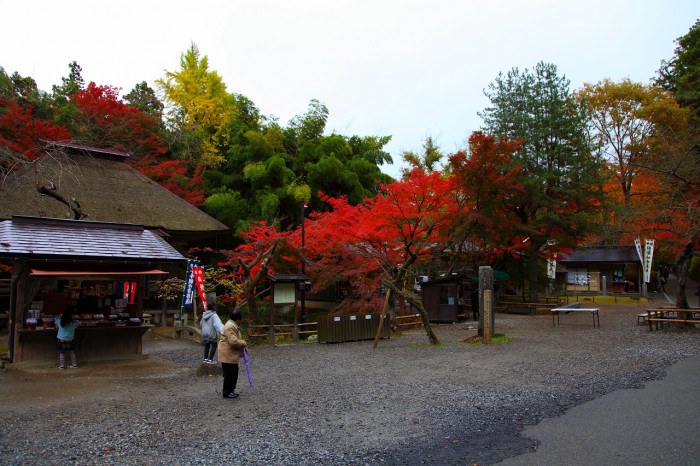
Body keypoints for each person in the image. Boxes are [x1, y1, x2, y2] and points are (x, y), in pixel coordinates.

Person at [218, 309, 247, 399]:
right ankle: (227, 392)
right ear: (238, 319)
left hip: (229, 354)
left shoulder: (231, 324)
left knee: (233, 372)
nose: (242, 320)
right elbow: (233, 341)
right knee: (230, 374)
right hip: (227, 354)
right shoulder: (230, 326)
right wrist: (242, 342)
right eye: (241, 319)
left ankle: (231, 390)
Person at [55, 306, 80, 370]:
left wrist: (62, 315)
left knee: (62, 353)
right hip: (70, 340)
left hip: (61, 339)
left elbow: (56, 317)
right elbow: (78, 323)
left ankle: (62, 366)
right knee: (71, 352)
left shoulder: (60, 322)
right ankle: (74, 365)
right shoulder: (73, 324)